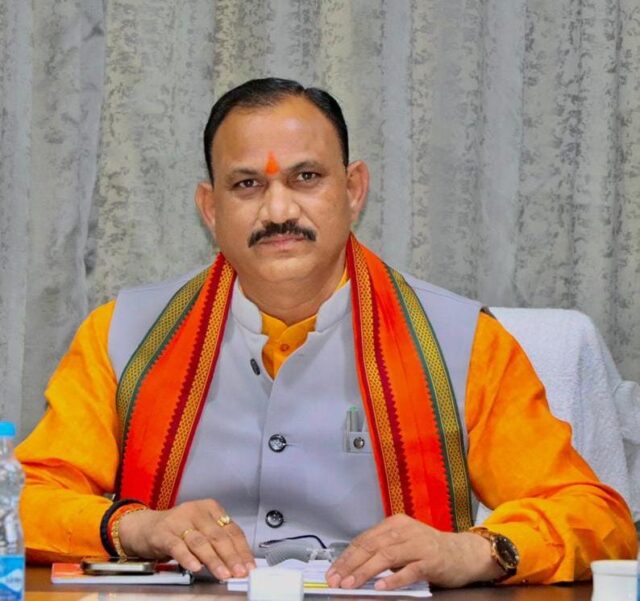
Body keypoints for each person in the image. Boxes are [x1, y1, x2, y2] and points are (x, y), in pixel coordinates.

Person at [17, 77, 636, 591]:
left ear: (353, 189)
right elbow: (25, 499)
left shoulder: (462, 344)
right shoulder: (123, 336)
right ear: (210, 209)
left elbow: (596, 515)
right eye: (247, 184)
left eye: (306, 177)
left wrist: (471, 551)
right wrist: (135, 527)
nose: (279, 210)